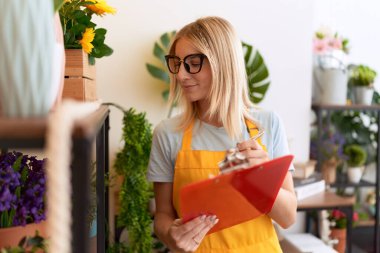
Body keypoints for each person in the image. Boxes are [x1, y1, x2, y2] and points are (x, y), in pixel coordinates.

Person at [147, 16, 297, 253]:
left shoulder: (268, 125)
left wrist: (260, 178)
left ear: (223, 63)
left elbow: (288, 217)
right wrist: (171, 235)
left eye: (193, 62)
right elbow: (163, 215)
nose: (181, 75)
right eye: (177, 63)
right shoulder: (167, 134)